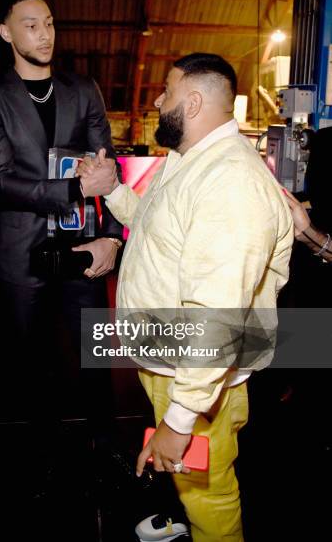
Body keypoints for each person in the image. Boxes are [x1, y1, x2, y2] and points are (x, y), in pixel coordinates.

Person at [77, 53, 294, 541]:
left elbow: (217, 318)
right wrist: (113, 189)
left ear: (193, 102)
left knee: (209, 490)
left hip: (199, 377)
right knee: (188, 480)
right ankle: (187, 520)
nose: (157, 101)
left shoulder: (230, 183)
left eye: (167, 92)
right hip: (175, 362)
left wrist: (180, 417)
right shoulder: (190, 160)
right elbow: (161, 232)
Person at [0, 0, 122, 447]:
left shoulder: (84, 90)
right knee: (34, 368)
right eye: (32, 25)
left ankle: (107, 452)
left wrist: (112, 239)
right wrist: (73, 189)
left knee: (96, 359)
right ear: (7, 33)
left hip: (84, 245)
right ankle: (43, 456)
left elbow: (108, 171)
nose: (44, 34)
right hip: (23, 252)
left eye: (50, 24)